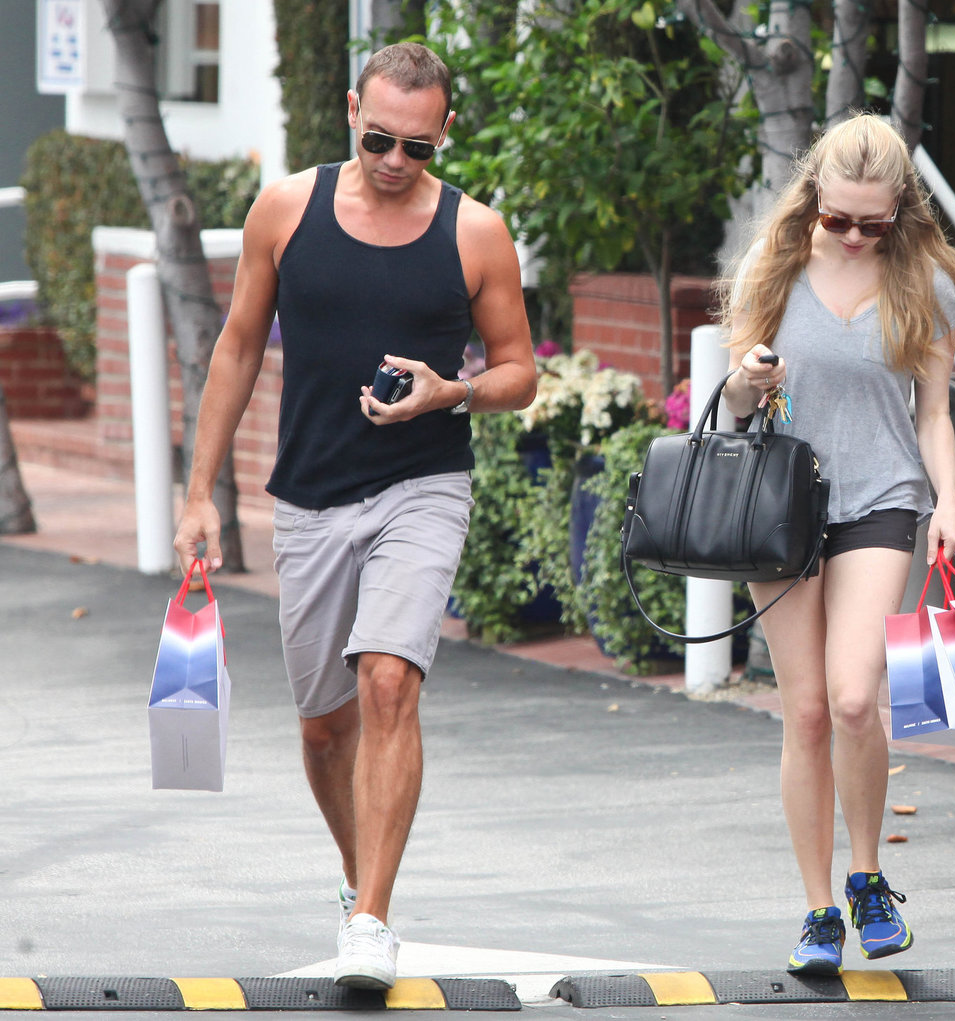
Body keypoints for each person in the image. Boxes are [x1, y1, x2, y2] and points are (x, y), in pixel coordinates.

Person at [171, 42, 536, 989]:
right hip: (310, 495)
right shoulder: (285, 210)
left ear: (443, 132)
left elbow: (519, 373)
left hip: (424, 484)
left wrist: (450, 392)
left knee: (387, 684)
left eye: (417, 146)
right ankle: (353, 874)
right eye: (379, 138)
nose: (394, 161)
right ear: (349, 114)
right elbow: (238, 345)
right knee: (324, 729)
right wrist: (199, 489)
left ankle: (371, 917)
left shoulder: (475, 232)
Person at [719, 114, 955, 975]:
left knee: (857, 697)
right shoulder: (774, 265)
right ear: (815, 197)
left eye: (876, 221)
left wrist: (949, 502)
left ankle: (868, 877)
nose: (857, 235)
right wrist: (750, 381)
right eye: (841, 220)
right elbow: (731, 411)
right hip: (781, 505)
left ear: (903, 206)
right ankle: (817, 908)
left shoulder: (930, 278)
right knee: (805, 709)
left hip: (881, 494)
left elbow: (936, 412)